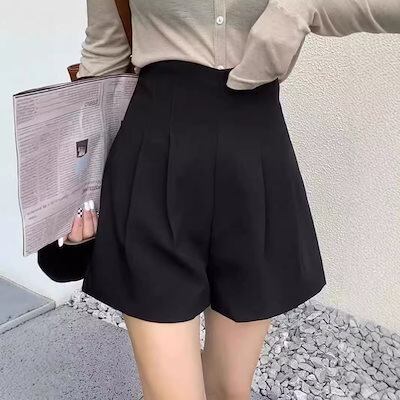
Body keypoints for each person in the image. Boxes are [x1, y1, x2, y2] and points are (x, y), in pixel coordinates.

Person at [61, 1, 400, 399]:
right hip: (152, 163)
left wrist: (298, 7)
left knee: (228, 390)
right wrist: (73, 190)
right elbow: (104, 58)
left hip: (254, 170)